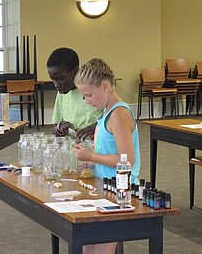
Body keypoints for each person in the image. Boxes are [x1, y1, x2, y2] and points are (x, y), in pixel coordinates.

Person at [72, 58, 141, 254]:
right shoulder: (106, 113)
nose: (87, 101)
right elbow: (108, 151)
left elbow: (126, 160)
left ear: (105, 86)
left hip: (119, 191)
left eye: (89, 95)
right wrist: (90, 162)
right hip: (105, 186)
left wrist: (91, 156)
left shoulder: (118, 114)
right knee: (86, 246)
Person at [46, 47, 101, 140]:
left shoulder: (93, 91)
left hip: (95, 147)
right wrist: (61, 126)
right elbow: (55, 126)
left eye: (61, 78)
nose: (56, 85)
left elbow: (114, 119)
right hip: (73, 149)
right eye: (53, 80)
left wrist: (96, 127)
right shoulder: (62, 94)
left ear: (75, 71)